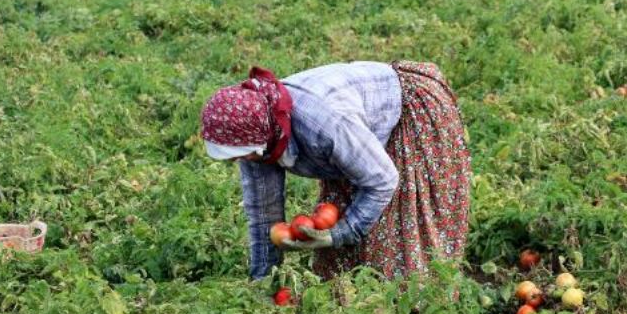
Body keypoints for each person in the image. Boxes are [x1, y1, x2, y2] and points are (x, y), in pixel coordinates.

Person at [200, 60, 470, 280]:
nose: (239, 160)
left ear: (258, 137)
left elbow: (383, 180)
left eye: (239, 153)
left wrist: (341, 233)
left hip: (408, 110)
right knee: (342, 258)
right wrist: (264, 280)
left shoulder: (323, 123)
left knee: (399, 237)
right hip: (354, 139)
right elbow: (264, 214)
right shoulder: (257, 138)